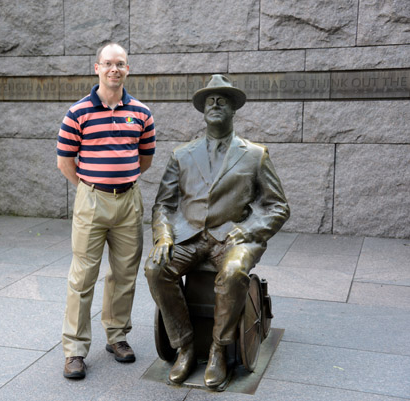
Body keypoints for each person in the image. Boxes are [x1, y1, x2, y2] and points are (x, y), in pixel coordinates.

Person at [144, 74, 289, 389]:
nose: (215, 103)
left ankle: (218, 350)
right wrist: (164, 236)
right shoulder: (181, 155)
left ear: (234, 109)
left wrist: (249, 229)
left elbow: (278, 206)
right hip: (188, 236)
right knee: (155, 268)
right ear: (202, 110)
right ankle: (184, 346)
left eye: (223, 99)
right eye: (210, 100)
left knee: (234, 270)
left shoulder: (254, 154)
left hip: (234, 236)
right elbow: (163, 206)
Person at [56, 42, 156, 380]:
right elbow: (64, 161)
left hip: (128, 201)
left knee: (124, 274)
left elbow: (145, 158)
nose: (115, 69)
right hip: (92, 201)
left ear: (128, 69)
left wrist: (121, 179)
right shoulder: (78, 112)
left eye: (121, 64)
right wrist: (89, 187)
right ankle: (74, 351)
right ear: (97, 68)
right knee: (82, 277)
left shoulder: (141, 113)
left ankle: (117, 337)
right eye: (108, 63)